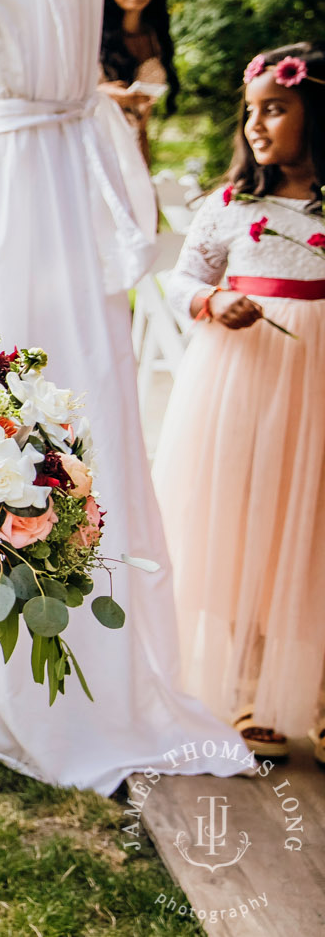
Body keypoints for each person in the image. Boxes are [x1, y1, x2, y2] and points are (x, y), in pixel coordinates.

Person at [156, 43, 324, 758]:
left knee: (310, 530)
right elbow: (178, 278)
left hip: (315, 386)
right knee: (246, 524)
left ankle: (311, 692)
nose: (257, 125)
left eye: (276, 108)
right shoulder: (231, 205)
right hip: (242, 385)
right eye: (249, 111)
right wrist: (214, 298)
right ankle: (249, 685)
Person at [96, 0, 178, 166]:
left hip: (133, 152)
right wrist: (103, 96)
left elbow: (142, 124)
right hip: (94, 151)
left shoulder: (156, 37)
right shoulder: (89, 37)